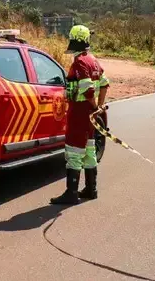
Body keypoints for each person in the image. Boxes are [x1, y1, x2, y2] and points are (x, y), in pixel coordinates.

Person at [50, 25, 110, 205]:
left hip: (80, 112)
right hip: (90, 115)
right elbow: (105, 84)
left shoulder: (80, 62)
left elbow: (87, 89)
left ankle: (71, 193)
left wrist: (93, 106)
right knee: (90, 149)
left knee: (74, 151)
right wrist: (99, 107)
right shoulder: (93, 60)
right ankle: (91, 189)